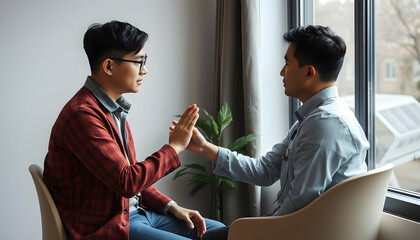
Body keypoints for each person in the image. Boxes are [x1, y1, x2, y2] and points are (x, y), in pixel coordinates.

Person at [171, 25, 370, 240]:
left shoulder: (325, 124)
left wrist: (252, 229)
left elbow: (298, 208)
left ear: (309, 72)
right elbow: (264, 171)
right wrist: (204, 148)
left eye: (287, 63)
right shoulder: (315, 117)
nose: (282, 72)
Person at [43, 20, 224, 240]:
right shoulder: (83, 115)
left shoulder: (112, 109)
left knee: (222, 232)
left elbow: (130, 175)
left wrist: (171, 206)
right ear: (109, 66)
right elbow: (127, 181)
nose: (144, 70)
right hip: (108, 225)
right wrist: (174, 147)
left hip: (137, 213)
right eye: (139, 62)